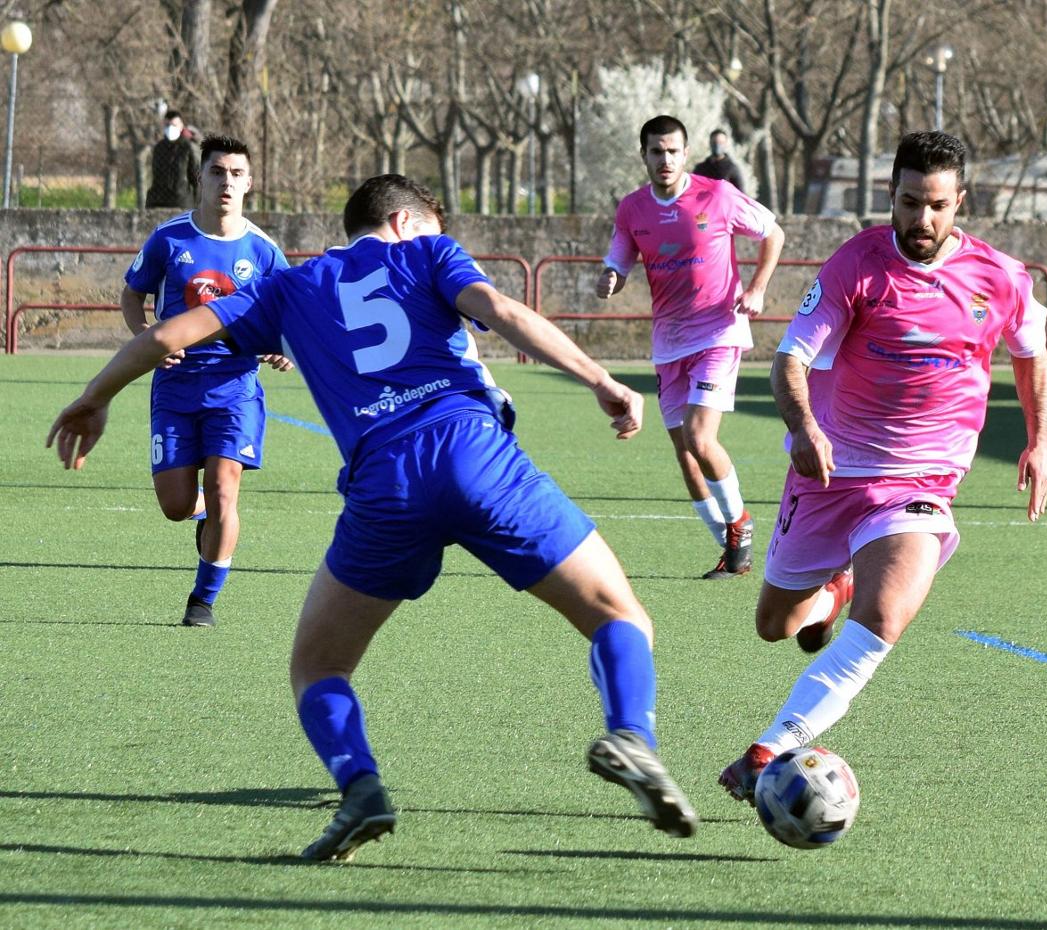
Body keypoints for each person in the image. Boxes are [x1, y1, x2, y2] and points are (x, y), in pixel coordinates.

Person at [50, 174, 699, 861]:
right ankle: (631, 735)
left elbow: (169, 332)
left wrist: (96, 396)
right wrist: (601, 381)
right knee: (619, 616)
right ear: (402, 222)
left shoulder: (290, 288)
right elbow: (502, 309)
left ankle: (360, 789)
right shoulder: (428, 254)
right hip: (473, 454)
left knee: (317, 668)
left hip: (384, 484)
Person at [717, 130, 1047, 801]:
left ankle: (770, 747)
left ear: (961, 201)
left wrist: (1041, 440)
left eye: (935, 205)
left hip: (922, 480)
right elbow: (790, 360)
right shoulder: (856, 266)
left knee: (885, 617)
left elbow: (1030, 354)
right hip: (831, 471)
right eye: (907, 203)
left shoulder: (1002, 278)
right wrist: (805, 427)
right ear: (890, 195)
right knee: (775, 625)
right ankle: (835, 587)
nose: (920, 220)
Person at [596, 114, 785, 580]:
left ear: (685, 153)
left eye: (673, 151)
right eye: (656, 152)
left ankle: (740, 524)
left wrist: (758, 287)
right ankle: (729, 548)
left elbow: (773, 232)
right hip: (669, 341)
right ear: (644, 155)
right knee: (686, 454)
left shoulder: (716, 194)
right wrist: (611, 279)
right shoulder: (632, 209)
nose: (665, 160)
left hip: (719, 332)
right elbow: (619, 261)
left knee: (702, 439)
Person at [121, 133, 292, 628]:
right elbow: (131, 297)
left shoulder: (262, 250)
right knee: (176, 506)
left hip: (235, 386)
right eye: (218, 172)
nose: (227, 182)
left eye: (237, 174)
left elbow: (290, 310)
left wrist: (282, 348)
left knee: (224, 490)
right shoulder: (169, 239)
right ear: (200, 177)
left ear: (250, 184)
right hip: (175, 388)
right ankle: (208, 520)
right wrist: (150, 338)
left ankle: (203, 600)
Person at [146, 111, 199, 210]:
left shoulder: (189, 147)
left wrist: (198, 205)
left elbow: (196, 179)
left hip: (182, 203)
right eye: (167, 125)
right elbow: (155, 177)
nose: (170, 128)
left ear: (181, 126)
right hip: (159, 202)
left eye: (174, 125)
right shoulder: (159, 148)